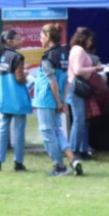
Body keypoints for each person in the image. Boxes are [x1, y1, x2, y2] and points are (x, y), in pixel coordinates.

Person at [33, 24, 83, 176]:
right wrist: (63, 101)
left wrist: (58, 102)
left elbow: (52, 82)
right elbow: (67, 80)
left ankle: (59, 166)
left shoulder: (48, 57)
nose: (40, 39)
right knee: (57, 131)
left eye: (41, 36)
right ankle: (73, 159)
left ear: (48, 37)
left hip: (46, 100)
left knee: (48, 133)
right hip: (58, 98)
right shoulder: (64, 55)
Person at [0, 29, 32, 172]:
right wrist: (27, 76)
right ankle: (18, 163)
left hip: (1, 98)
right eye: (18, 39)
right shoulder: (16, 57)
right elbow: (19, 77)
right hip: (17, 98)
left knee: (2, 129)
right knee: (19, 130)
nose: (21, 41)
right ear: (9, 42)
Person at [67, 27, 104, 160]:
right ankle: (75, 150)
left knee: (81, 119)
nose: (90, 42)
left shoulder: (76, 50)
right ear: (83, 39)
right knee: (79, 119)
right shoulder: (79, 50)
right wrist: (96, 68)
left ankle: (82, 149)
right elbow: (77, 70)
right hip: (76, 87)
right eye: (89, 39)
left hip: (77, 87)